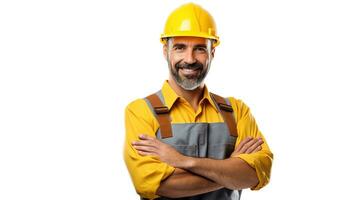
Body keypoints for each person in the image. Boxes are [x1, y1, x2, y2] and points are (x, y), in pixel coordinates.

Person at [124, 3, 273, 200]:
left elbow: (259, 173)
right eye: (180, 47)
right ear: (165, 51)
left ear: (212, 53)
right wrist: (232, 171)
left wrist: (184, 162)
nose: (190, 59)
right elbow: (154, 184)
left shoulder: (237, 111)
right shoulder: (141, 111)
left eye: (200, 49)